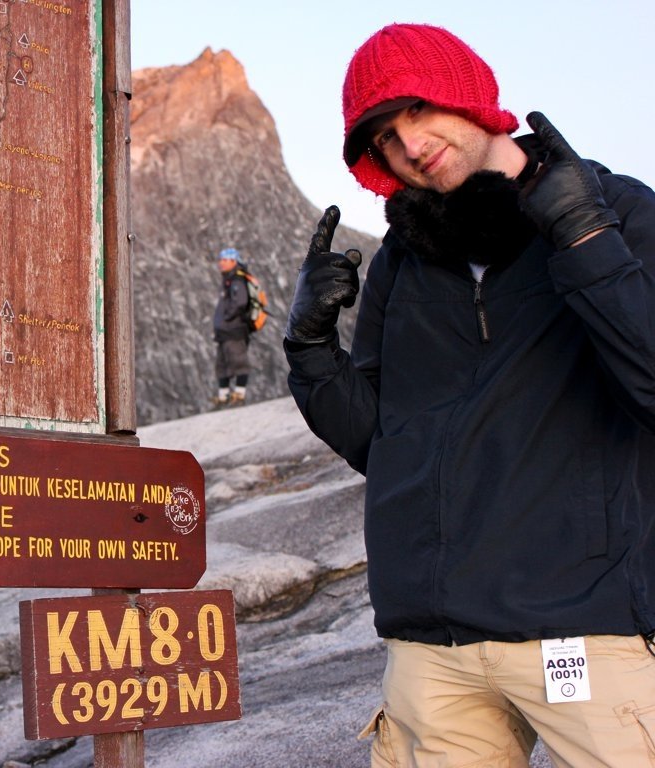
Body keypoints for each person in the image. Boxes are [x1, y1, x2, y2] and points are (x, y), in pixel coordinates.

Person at [282, 23, 655, 767]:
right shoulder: (404, 262)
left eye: (417, 111)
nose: (410, 145)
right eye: (385, 137)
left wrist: (582, 236)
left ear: (468, 93)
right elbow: (384, 445)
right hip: (433, 649)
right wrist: (311, 349)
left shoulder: (617, 210)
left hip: (583, 631)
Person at [211, 247, 252, 407]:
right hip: (224, 331)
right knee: (221, 363)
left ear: (234, 261)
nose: (220, 263)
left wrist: (227, 317)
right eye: (220, 260)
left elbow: (240, 302)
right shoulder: (228, 279)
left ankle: (239, 396)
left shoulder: (237, 280)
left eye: (224, 260)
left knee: (238, 361)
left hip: (234, 329)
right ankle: (224, 396)